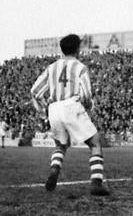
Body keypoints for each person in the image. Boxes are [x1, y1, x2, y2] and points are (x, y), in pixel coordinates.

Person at [30, 34, 109, 195]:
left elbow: (35, 91)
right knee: (95, 142)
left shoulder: (51, 67)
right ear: (77, 49)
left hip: (54, 108)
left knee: (60, 145)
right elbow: (86, 94)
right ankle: (96, 183)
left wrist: (44, 110)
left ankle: (54, 170)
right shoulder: (80, 67)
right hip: (71, 105)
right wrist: (87, 107)